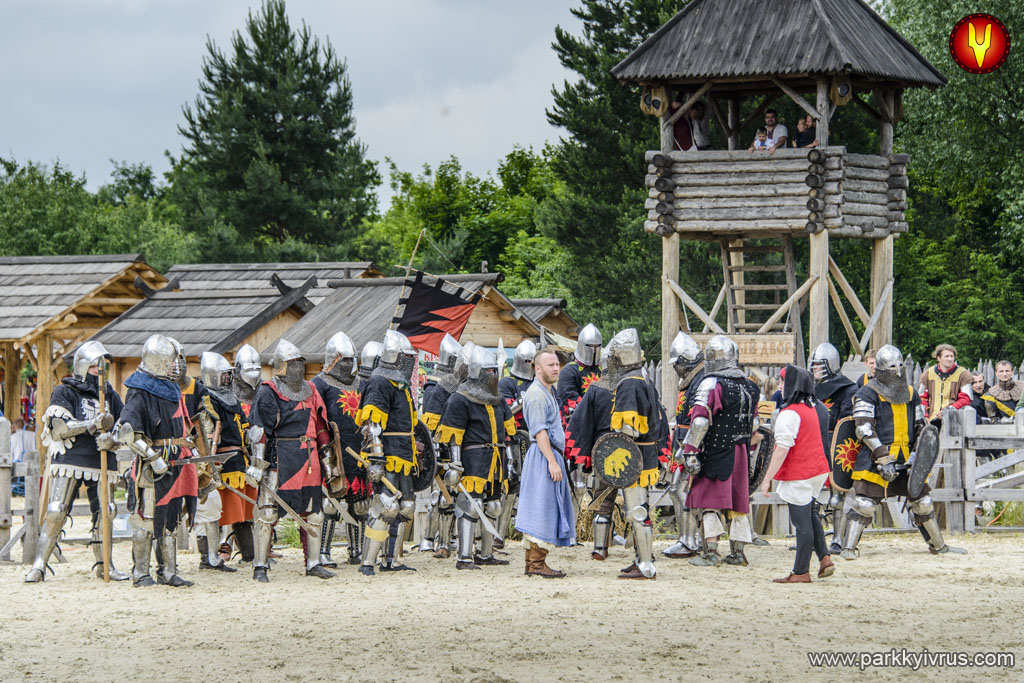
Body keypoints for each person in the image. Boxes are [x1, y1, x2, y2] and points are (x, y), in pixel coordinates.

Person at [841, 345, 966, 559]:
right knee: (864, 505)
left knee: (923, 502)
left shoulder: (909, 393)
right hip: (875, 458)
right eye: (892, 367)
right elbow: (863, 428)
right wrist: (882, 456)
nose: (897, 370)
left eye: (899, 366)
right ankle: (848, 548)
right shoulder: (867, 392)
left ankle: (938, 546)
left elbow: (919, 425)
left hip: (907, 458)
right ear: (881, 369)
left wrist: (917, 454)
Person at [25, 341, 126, 583]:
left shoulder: (110, 394)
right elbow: (58, 428)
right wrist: (91, 424)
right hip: (71, 458)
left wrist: (113, 439)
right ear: (82, 366)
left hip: (101, 458)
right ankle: (39, 566)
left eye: (102, 365)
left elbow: (125, 425)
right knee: (56, 511)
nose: (98, 370)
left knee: (106, 512)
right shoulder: (65, 391)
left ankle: (105, 565)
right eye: (93, 365)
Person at [247, 339, 334, 582]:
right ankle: (260, 565)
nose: (298, 369)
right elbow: (258, 430)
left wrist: (328, 462)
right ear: (281, 367)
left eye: (299, 363)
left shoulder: (311, 390)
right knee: (267, 512)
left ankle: (313, 562)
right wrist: (257, 464)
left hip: (309, 459)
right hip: (280, 458)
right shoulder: (268, 391)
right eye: (292, 364)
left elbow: (321, 427)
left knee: (315, 513)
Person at [117, 334, 198, 587]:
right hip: (151, 465)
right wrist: (152, 457)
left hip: (176, 462)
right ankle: (141, 572)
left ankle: (168, 571)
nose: (177, 365)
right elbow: (128, 432)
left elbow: (182, 426)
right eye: (172, 360)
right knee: (146, 520)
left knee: (171, 518)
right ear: (158, 361)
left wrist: (189, 449)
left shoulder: (172, 389)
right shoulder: (139, 390)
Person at [678, 335, 761, 567]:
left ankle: (711, 552)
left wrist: (690, 451)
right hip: (741, 453)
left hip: (716, 452)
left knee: (708, 500)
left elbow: (700, 422)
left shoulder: (711, 384)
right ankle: (738, 553)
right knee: (738, 502)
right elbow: (755, 424)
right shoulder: (750, 385)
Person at [436, 345, 516, 570]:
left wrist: (511, 462)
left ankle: (486, 554)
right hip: (473, 460)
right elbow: (453, 436)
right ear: (477, 372)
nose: (493, 375)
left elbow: (508, 434)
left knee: (494, 506)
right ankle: (464, 556)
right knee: (471, 506)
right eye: (489, 371)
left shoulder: (498, 400)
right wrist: (455, 464)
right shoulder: (460, 399)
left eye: (495, 371)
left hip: (496, 460)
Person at [354, 330, 420, 576]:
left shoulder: (401, 385)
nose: (410, 362)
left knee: (406, 507)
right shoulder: (379, 382)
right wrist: (377, 460)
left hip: (405, 454)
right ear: (395, 356)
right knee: (386, 507)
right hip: (388, 453)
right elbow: (372, 425)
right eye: (406, 357)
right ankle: (368, 562)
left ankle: (392, 560)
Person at [759, 366, 834, 583]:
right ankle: (824, 558)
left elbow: (782, 448)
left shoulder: (790, 413)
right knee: (810, 515)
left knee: (802, 524)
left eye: (784, 382)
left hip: (801, 472)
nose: (780, 385)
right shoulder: (811, 408)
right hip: (816, 470)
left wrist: (767, 478)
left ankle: (801, 571)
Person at [604, 329, 662, 580]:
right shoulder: (642, 378)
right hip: (644, 454)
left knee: (637, 511)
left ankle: (646, 564)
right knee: (639, 508)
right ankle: (640, 558)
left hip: (634, 455)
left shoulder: (629, 384)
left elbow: (629, 428)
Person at [516, 347, 574, 577]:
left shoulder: (546, 392)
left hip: (547, 454)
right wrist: (551, 461)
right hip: (543, 456)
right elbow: (540, 432)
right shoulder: (537, 395)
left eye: (557, 364)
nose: (556, 368)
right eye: (551, 365)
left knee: (543, 505)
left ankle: (533, 564)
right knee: (541, 507)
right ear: (538, 369)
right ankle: (536, 564)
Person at [312, 332, 369, 567]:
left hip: (357, 449)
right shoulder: (320, 384)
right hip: (331, 451)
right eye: (343, 360)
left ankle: (357, 550)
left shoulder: (362, 384)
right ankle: (323, 552)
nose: (348, 365)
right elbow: (315, 419)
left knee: (360, 504)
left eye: (350, 360)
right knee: (330, 504)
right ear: (333, 360)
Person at [808, 342, 859, 554]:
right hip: (814, 445)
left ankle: (837, 539)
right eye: (813, 365)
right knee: (810, 494)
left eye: (818, 365)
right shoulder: (809, 389)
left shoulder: (847, 389)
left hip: (834, 446)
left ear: (830, 364)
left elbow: (846, 421)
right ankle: (812, 539)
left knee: (837, 495)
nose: (814, 369)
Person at [192, 352, 238, 574]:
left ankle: (210, 558)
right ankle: (207, 558)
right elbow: (198, 432)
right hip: (199, 463)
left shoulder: (212, 401)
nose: (227, 379)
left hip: (210, 462)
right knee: (206, 507)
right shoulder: (201, 398)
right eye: (224, 375)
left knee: (211, 509)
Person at [421, 334, 463, 558]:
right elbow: (429, 423)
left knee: (453, 494)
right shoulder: (433, 385)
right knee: (440, 496)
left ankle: (449, 538)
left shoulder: (456, 385)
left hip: (456, 445)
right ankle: (431, 540)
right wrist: (435, 454)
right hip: (440, 447)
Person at [663, 331, 703, 559]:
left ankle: (689, 540)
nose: (675, 368)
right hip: (684, 444)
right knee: (677, 490)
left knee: (681, 491)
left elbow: (699, 421)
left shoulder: (700, 382)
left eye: (677, 363)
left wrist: (688, 449)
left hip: (692, 448)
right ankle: (689, 537)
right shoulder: (692, 381)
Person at [495, 338, 536, 548]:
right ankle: (499, 535)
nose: (530, 365)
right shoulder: (507, 383)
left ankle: (531, 536)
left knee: (534, 488)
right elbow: (506, 411)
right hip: (514, 439)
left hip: (535, 439)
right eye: (527, 361)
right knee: (511, 486)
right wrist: (525, 399)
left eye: (532, 361)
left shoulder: (539, 382)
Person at [556, 323, 602, 420]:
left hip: (600, 418)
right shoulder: (569, 371)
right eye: (590, 346)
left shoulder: (602, 370)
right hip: (576, 420)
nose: (594, 350)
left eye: (597, 346)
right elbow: (569, 399)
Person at [919, 343, 972, 424]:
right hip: (931, 420)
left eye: (952, 356)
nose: (950, 359)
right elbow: (922, 398)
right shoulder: (928, 374)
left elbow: (966, 399)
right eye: (946, 356)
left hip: (954, 420)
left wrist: (948, 411)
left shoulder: (963, 374)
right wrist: (925, 416)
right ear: (938, 358)